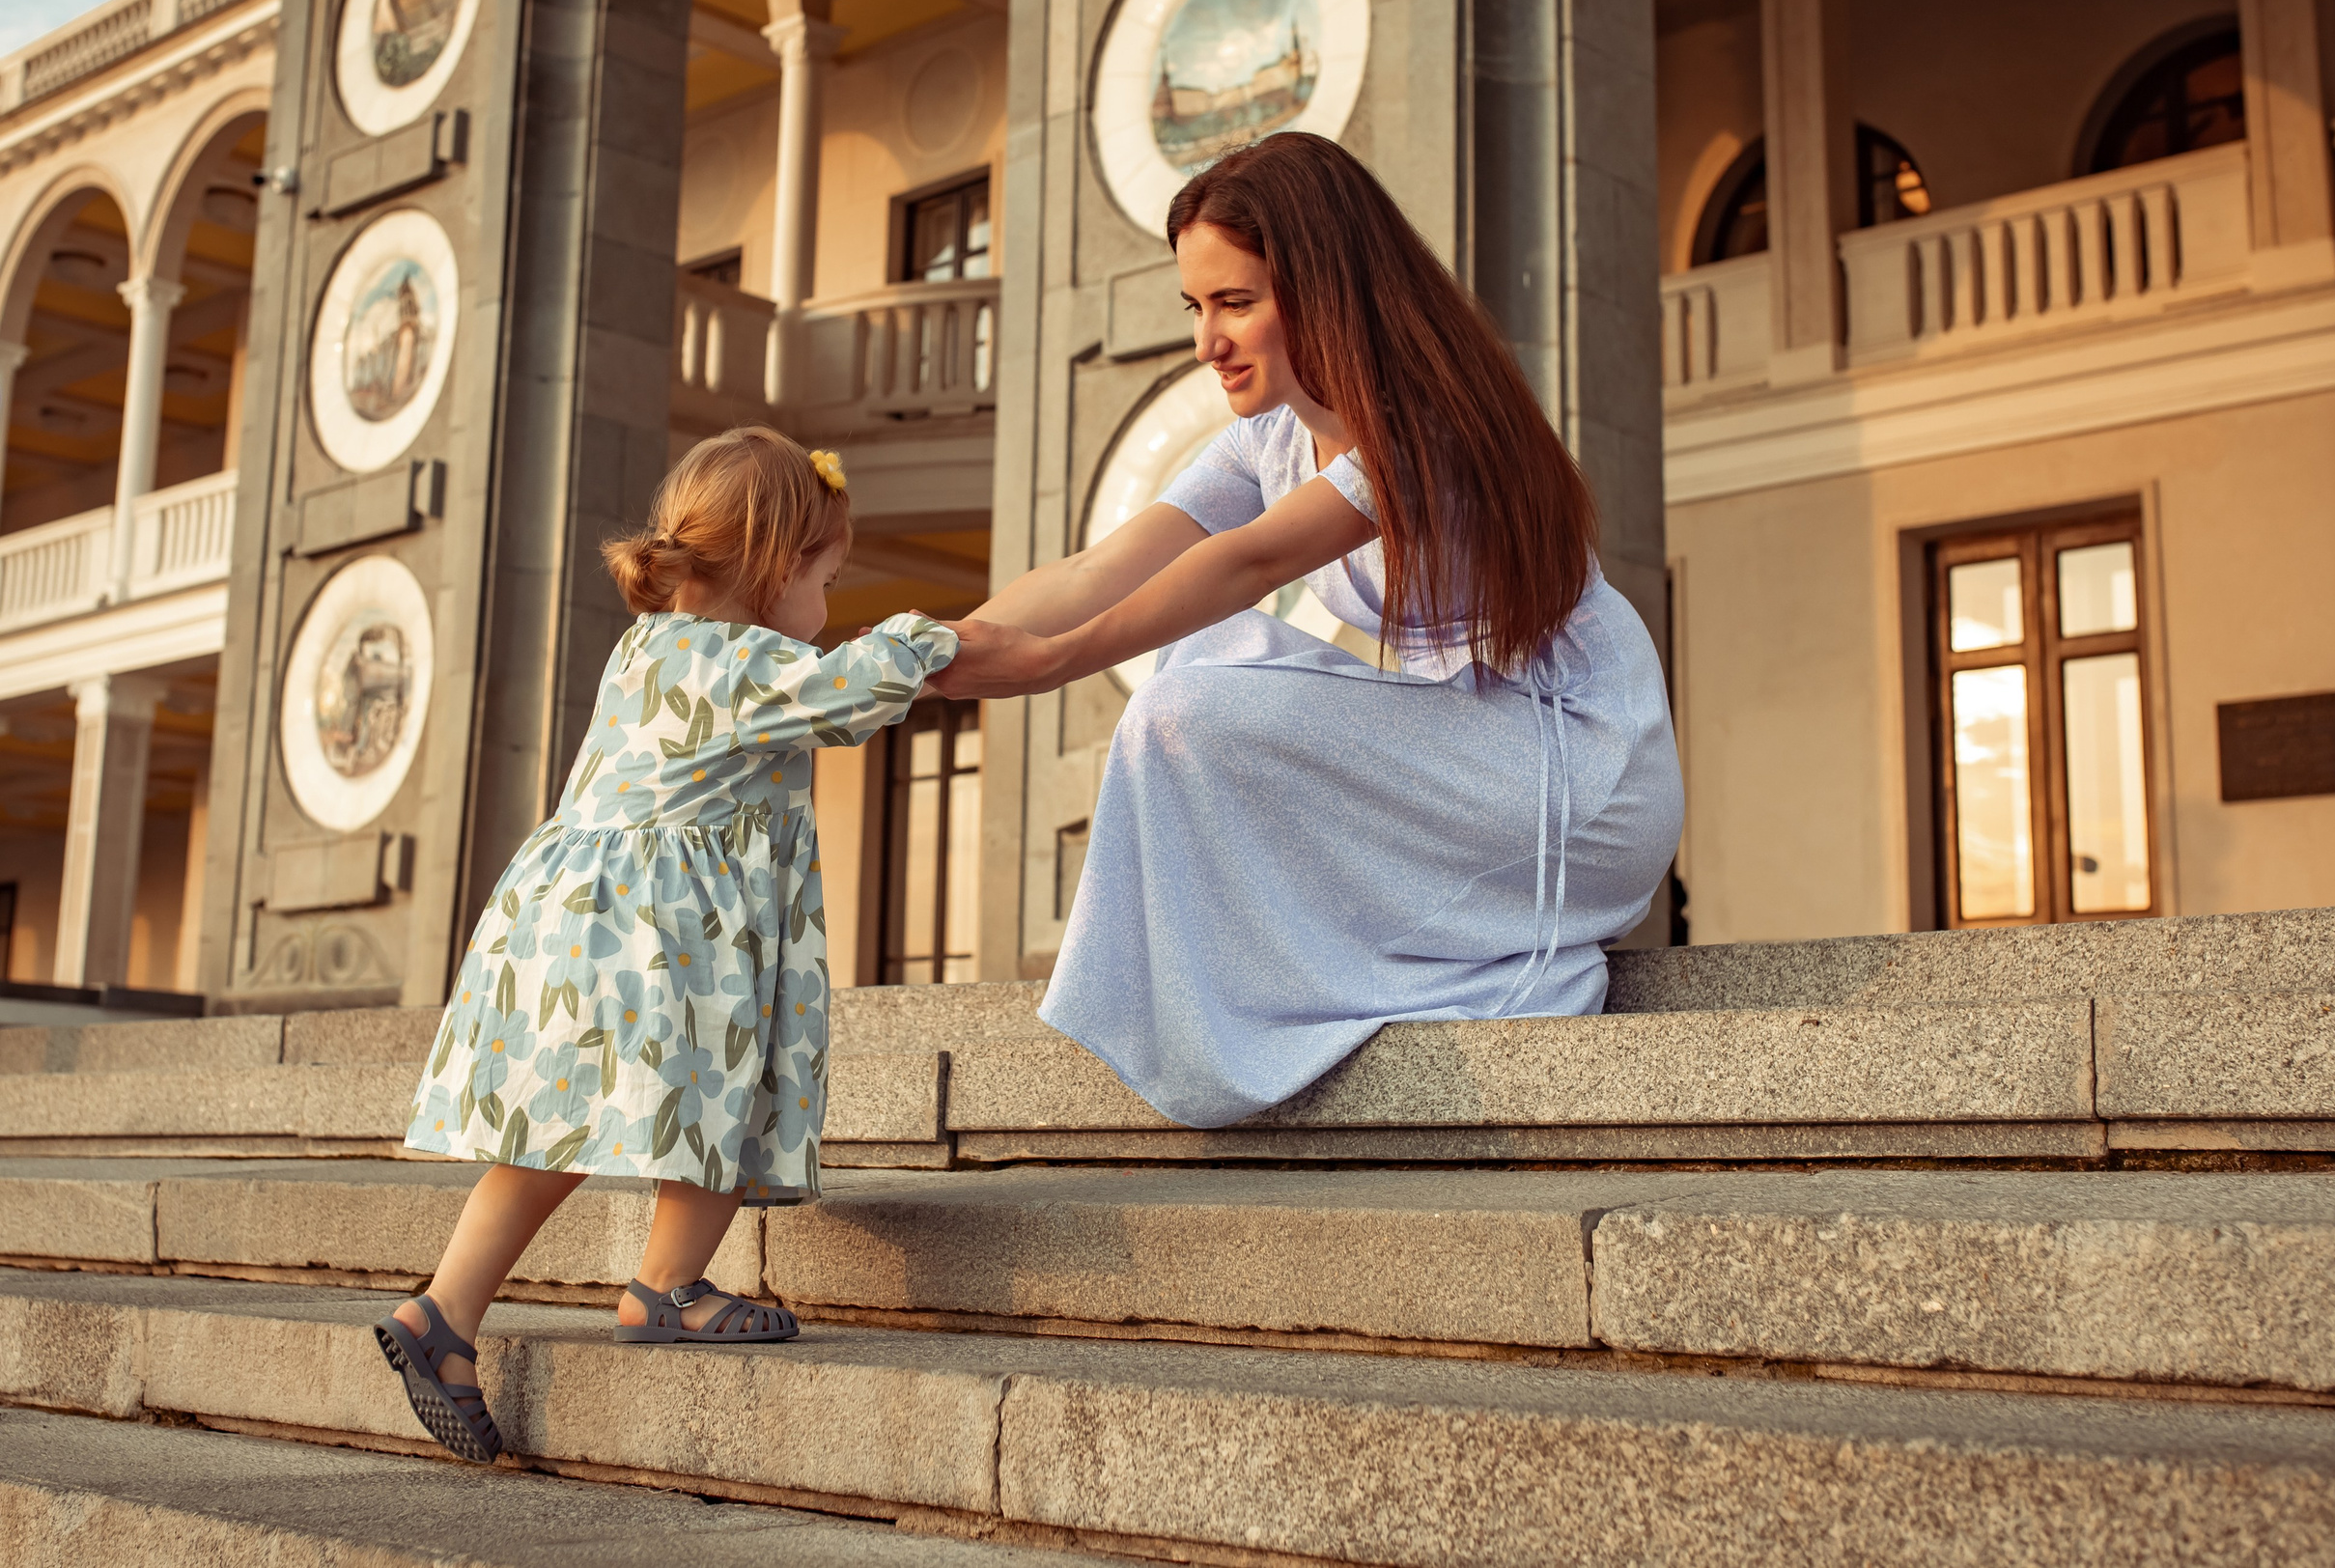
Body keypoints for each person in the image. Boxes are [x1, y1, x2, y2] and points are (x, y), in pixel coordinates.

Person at [937, 132, 1683, 1130]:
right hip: (1471, 742)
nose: (1208, 342)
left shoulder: (1426, 424)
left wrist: (1055, 661)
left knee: (1190, 701)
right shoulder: (1270, 437)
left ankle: (1387, 985)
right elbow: (1097, 569)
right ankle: (1282, 994)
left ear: (1325, 290)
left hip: (1582, 770)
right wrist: (916, 655)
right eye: (1196, 307)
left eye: (1236, 303)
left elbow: (1248, 563)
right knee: (1195, 665)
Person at [375, 426, 954, 1464]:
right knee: (727, 1092)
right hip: (668, 935)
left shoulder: (643, 646)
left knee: (548, 1134)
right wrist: (928, 636)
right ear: (778, 570)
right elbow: (861, 688)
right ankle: (666, 1286)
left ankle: (444, 1313)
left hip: (570, 915)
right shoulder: (748, 663)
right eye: (828, 576)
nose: (828, 603)